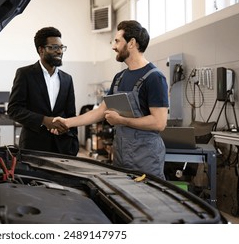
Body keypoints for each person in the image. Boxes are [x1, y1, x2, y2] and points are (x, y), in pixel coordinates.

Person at [52, 20, 169, 179]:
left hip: (146, 158)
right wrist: (66, 122)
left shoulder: (155, 78)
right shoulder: (119, 78)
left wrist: (121, 120)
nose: (114, 46)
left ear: (131, 43)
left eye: (117, 41)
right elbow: (100, 111)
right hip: (121, 155)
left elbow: (159, 123)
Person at [7, 26, 79, 155]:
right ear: (41, 50)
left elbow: (71, 114)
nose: (59, 51)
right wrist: (44, 120)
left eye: (61, 47)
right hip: (33, 147)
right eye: (54, 47)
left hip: (62, 148)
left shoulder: (67, 79)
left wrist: (73, 143)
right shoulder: (25, 74)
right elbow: (14, 109)